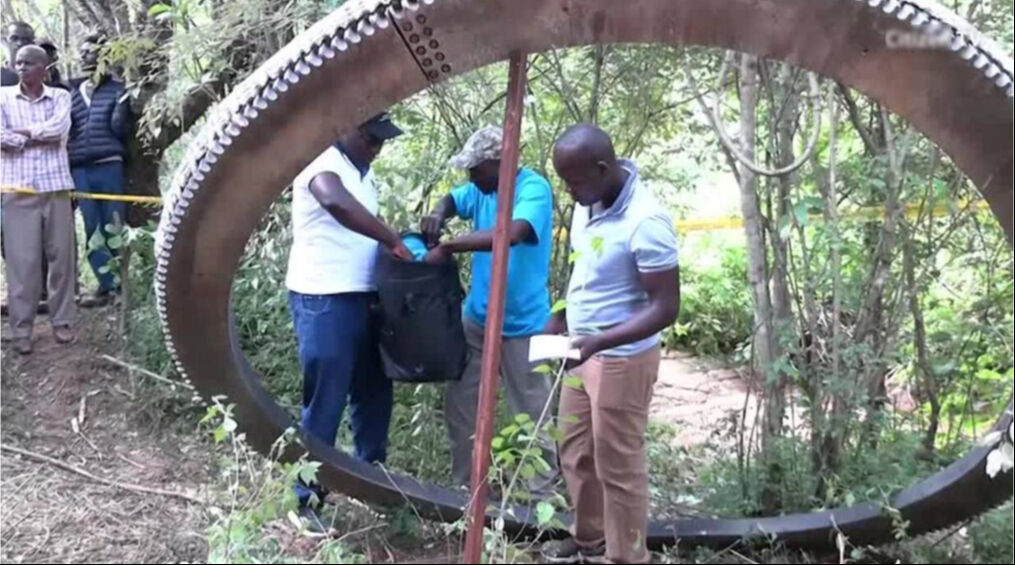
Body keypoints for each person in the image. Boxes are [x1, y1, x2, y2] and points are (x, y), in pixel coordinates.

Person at [540, 124, 680, 565]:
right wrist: (559, 315)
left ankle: (627, 558)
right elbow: (585, 273)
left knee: (618, 464)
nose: (569, 192)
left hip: (621, 358)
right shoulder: (590, 200)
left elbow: (665, 307)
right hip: (583, 351)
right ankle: (589, 540)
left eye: (574, 181)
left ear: (603, 168)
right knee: (576, 451)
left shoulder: (647, 221)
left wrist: (600, 342)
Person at [285, 112, 411, 531]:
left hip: (363, 298)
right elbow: (335, 202)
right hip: (324, 298)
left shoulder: (364, 174)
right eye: (370, 137)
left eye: (382, 140)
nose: (377, 147)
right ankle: (306, 501)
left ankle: (371, 481)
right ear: (344, 126)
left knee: (373, 394)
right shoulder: (320, 161)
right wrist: (390, 238)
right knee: (326, 399)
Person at [420, 125, 557, 493]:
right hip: (477, 319)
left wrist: (449, 247)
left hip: (525, 324)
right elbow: (453, 197)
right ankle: (468, 488)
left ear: (502, 162)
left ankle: (538, 502)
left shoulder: (533, 189)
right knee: (462, 406)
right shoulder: (481, 189)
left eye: (476, 168)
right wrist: (438, 211)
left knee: (532, 411)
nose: (471, 176)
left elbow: (512, 233)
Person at [1, 45, 77, 355]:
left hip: (56, 188)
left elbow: (59, 129)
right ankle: (22, 329)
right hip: (16, 192)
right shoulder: (2, 97)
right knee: (22, 263)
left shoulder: (60, 97)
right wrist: (37, 136)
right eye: (18, 62)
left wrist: (20, 135)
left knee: (62, 259)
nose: (21, 67)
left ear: (44, 68)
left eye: (29, 63)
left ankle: (63, 322)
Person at [68, 33, 132, 307]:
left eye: (90, 52)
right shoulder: (71, 93)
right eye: (81, 52)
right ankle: (108, 286)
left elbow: (121, 128)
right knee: (92, 227)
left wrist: (125, 102)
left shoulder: (120, 89)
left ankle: (121, 286)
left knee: (114, 225)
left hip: (109, 166)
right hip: (81, 169)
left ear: (105, 56)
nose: (84, 56)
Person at [1, 22, 34, 87]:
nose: (20, 43)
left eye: (26, 40)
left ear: (32, 43)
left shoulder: (40, 75)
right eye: (14, 38)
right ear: (5, 41)